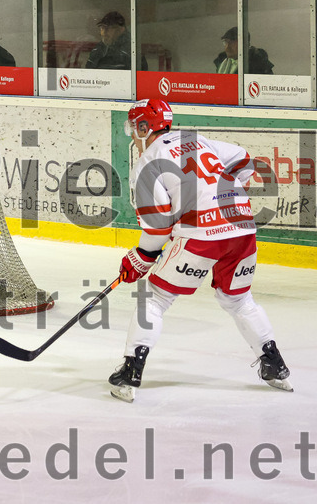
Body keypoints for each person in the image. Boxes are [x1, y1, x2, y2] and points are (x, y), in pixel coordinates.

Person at [110, 99, 292, 402]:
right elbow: (245, 160)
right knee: (239, 300)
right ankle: (275, 365)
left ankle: (130, 373)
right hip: (242, 227)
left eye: (134, 127)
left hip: (201, 234)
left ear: (143, 127)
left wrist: (140, 257)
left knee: (155, 298)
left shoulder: (147, 163)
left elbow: (157, 228)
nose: (132, 135)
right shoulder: (199, 140)